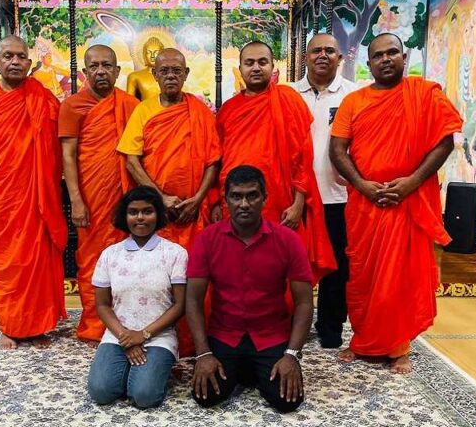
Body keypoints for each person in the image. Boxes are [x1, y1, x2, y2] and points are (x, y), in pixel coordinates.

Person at [330, 33, 463, 374]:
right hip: (365, 204)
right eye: (378, 55)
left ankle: (399, 346)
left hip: (409, 201)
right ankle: (363, 341)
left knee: (401, 278)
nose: (386, 59)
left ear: (405, 58)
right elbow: (337, 151)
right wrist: (362, 185)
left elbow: (445, 142)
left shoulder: (424, 95)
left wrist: (411, 183)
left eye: (393, 53)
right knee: (363, 275)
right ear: (368, 63)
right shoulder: (353, 102)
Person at [0, 35, 68, 350]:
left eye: (21, 56)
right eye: (8, 56)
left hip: (36, 194)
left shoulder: (44, 98)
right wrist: (2, 169)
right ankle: (9, 326)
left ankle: (37, 326)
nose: (14, 61)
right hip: (0, 192)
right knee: (5, 261)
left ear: (29, 62)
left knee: (34, 260)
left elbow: (56, 145)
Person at [117, 48, 220, 357]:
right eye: (165, 71)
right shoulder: (143, 110)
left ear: (186, 74)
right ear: (155, 75)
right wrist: (160, 198)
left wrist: (198, 198)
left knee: (195, 275)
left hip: (192, 212)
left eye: (177, 70)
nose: (171, 76)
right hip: (156, 215)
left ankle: (193, 341)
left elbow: (213, 161)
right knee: (156, 279)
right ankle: (154, 336)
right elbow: (132, 160)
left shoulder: (200, 112)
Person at [186, 165, 314, 413]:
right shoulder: (207, 239)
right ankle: (245, 371)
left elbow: (305, 302)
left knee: (286, 401)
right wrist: (203, 354)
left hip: (271, 335)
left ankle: (252, 371)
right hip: (225, 334)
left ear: (265, 199)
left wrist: (292, 355)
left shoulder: (288, 240)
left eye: (252, 195)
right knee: (207, 397)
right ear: (226, 200)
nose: (244, 204)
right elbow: (193, 299)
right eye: (236, 196)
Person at [215, 41, 336, 281]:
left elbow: (303, 157)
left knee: (278, 270)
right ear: (240, 68)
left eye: (262, 62)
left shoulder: (288, 100)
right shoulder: (228, 110)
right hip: (235, 202)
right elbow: (217, 159)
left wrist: (299, 202)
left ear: (273, 67)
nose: (256, 68)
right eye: (249, 63)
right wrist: (215, 203)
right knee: (236, 269)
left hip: (279, 202)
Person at [59, 44, 139, 346]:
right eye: (94, 66)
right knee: (93, 258)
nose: (101, 71)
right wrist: (76, 201)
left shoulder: (130, 105)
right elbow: (68, 156)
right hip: (91, 197)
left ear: (118, 71)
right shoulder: (72, 106)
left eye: (107, 65)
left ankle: (129, 318)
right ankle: (94, 323)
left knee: (128, 258)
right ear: (85, 71)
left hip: (125, 196)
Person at [87, 186, 187, 409]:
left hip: (158, 335)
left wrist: (143, 335)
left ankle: (149, 370)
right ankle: (132, 371)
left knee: (145, 396)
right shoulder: (110, 254)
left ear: (158, 214)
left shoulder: (175, 253)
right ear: (125, 216)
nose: (140, 217)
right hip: (118, 334)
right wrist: (126, 336)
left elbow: (180, 305)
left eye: (147, 211)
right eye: (133, 212)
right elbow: (102, 305)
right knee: (101, 392)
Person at [291, 33, 358, 349]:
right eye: (316, 50)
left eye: (330, 51)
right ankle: (289, 322)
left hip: (337, 197)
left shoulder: (355, 96)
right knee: (290, 264)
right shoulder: (287, 94)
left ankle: (330, 325)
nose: (323, 55)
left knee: (337, 266)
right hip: (293, 199)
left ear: (340, 58)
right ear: (305, 58)